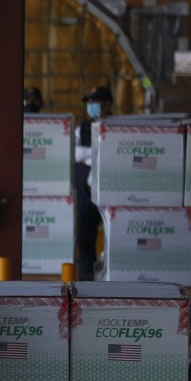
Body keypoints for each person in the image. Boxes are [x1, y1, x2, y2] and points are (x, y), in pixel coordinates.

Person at [75, 85, 113, 279]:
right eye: (89, 102)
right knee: (85, 237)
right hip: (86, 191)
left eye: (95, 102)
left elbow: (115, 154)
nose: (91, 106)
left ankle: (109, 275)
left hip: (111, 190)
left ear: (107, 104)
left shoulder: (119, 127)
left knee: (112, 235)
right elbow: (76, 153)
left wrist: (89, 156)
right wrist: (98, 153)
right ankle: (86, 276)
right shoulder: (82, 129)